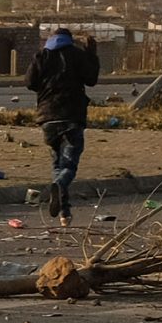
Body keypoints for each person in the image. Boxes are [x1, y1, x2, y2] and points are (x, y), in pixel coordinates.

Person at [25, 26, 100, 225]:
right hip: (72, 117)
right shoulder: (76, 55)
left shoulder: (41, 56)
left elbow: (30, 82)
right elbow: (91, 79)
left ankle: (64, 213)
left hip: (47, 119)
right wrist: (91, 54)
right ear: (69, 40)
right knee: (69, 165)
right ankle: (58, 187)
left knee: (57, 164)